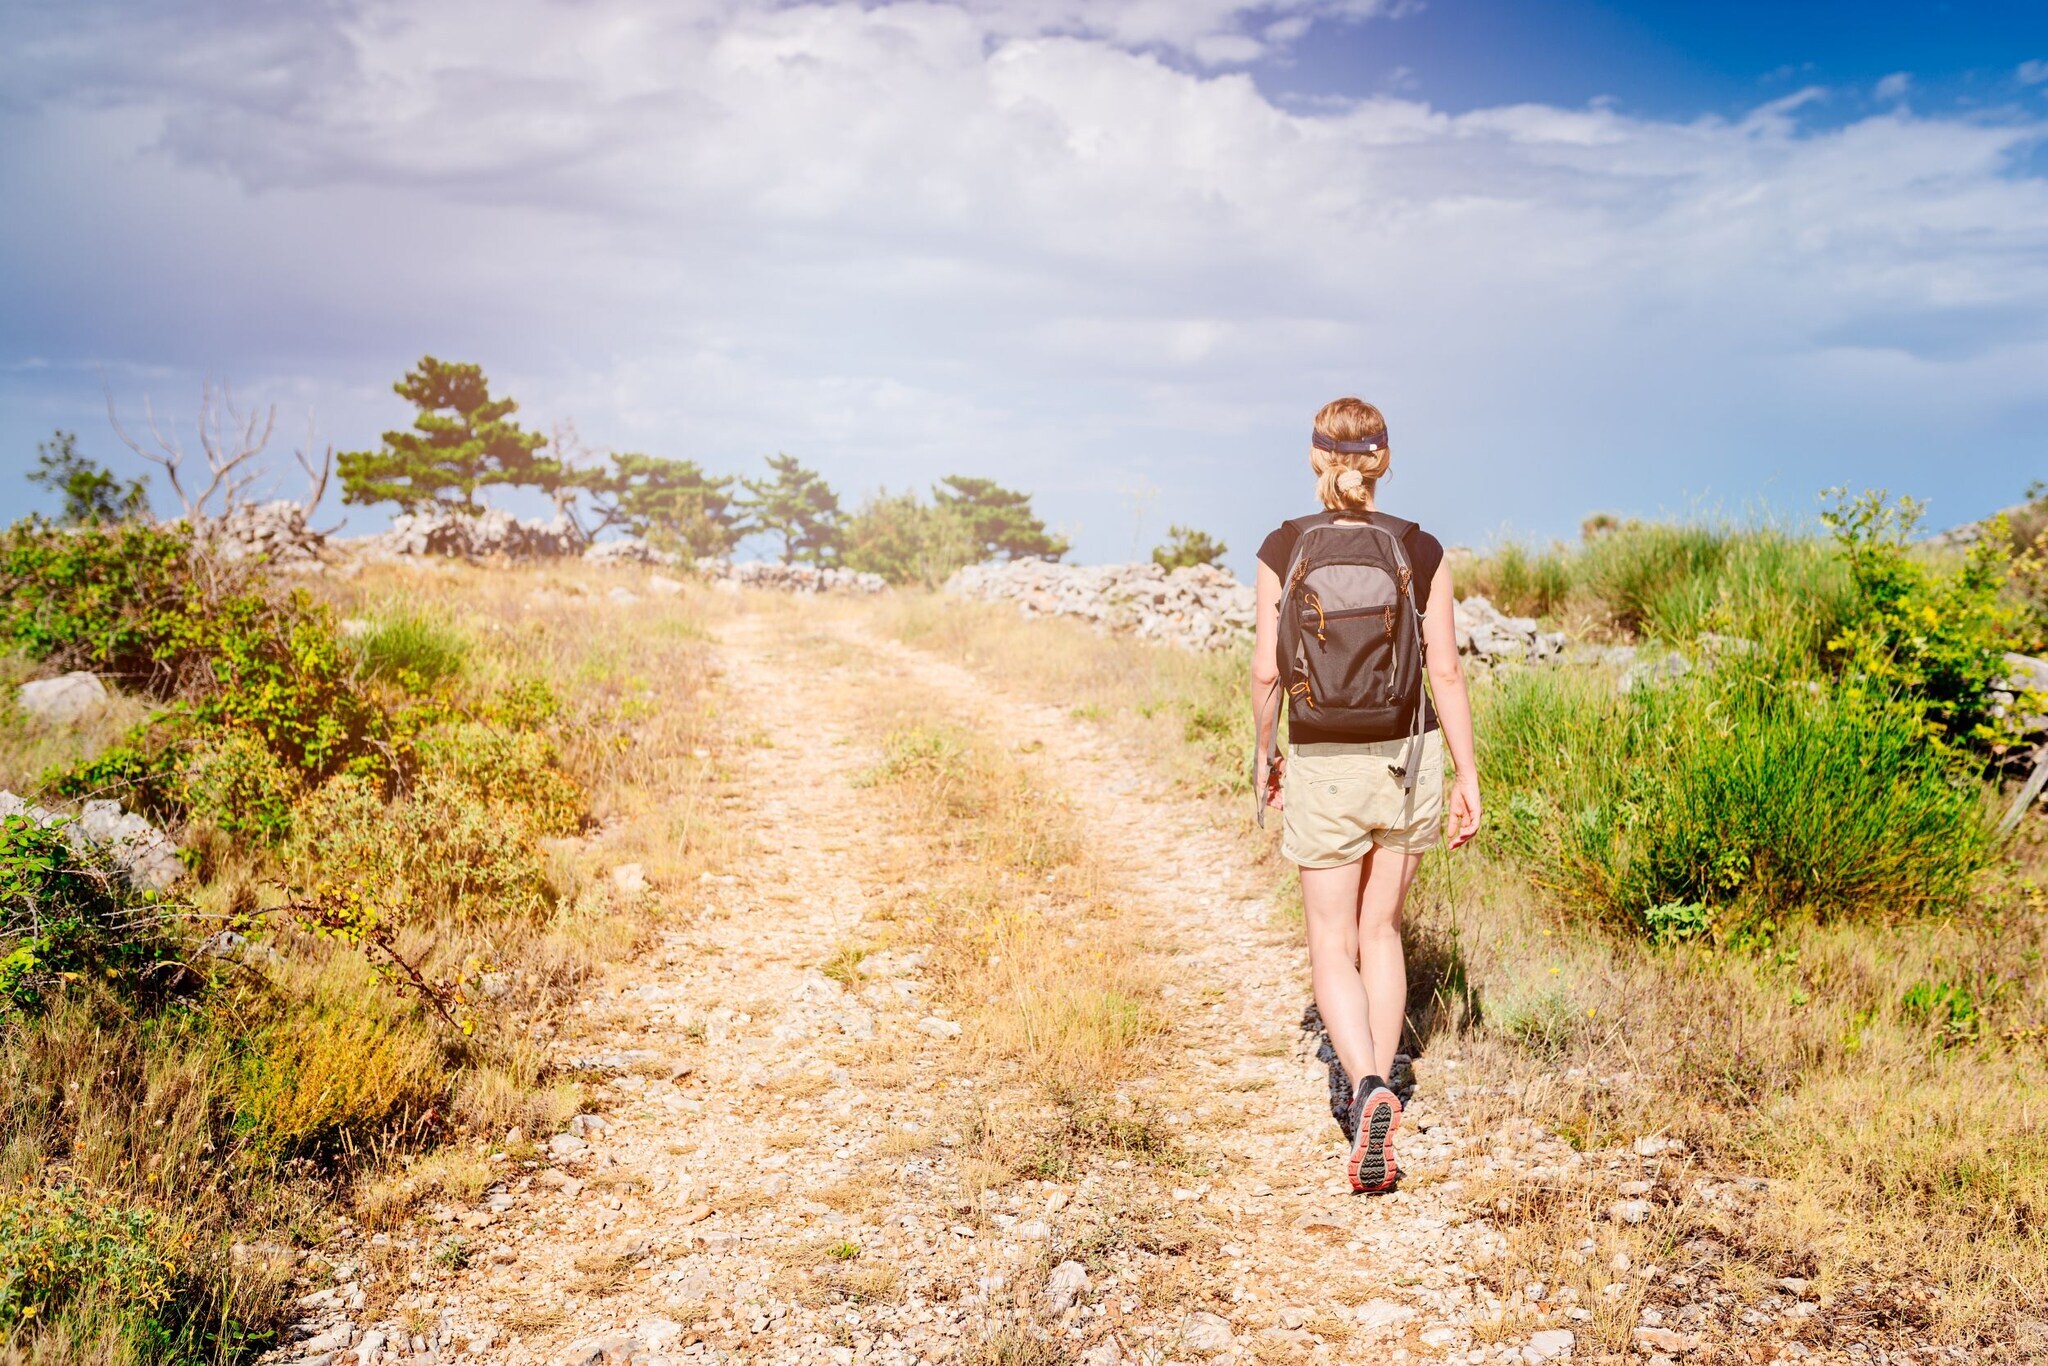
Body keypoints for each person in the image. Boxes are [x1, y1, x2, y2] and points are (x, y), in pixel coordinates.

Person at [1251, 396, 1482, 1195]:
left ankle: (1362, 1091)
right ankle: (1385, 1076)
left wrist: (1262, 753)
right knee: (1380, 931)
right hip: (1408, 760)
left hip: (1322, 759)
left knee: (1330, 941)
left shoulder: (1285, 546)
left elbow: (1266, 670)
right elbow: (1446, 671)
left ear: (1316, 459)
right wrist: (1468, 774)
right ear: (1384, 460)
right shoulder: (1419, 548)